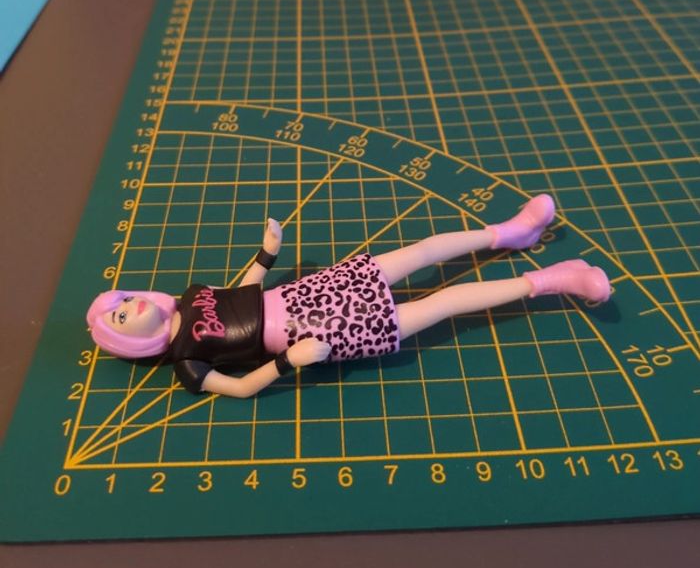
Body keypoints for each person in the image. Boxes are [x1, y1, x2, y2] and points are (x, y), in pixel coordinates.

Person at [87, 194, 610, 398]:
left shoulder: (191, 296)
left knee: (423, 250)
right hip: (317, 333)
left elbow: (243, 294)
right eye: (119, 318)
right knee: (443, 305)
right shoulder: (188, 363)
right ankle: (554, 280)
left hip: (308, 290)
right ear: (126, 342)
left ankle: (510, 232)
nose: (129, 307)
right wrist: (289, 361)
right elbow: (242, 388)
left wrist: (267, 254)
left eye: (121, 302)